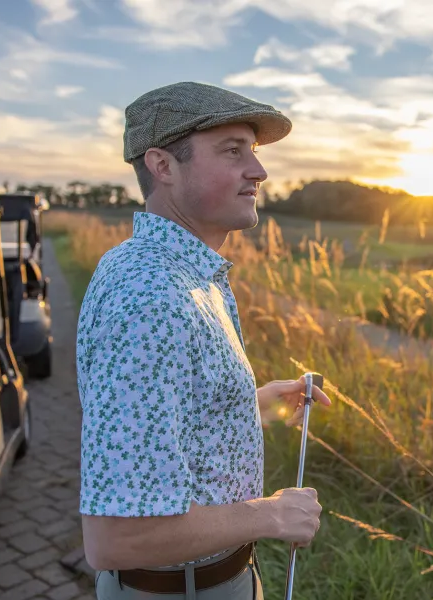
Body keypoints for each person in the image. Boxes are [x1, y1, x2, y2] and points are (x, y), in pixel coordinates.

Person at [76, 81, 332, 600]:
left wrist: (247, 404)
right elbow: (117, 538)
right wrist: (273, 513)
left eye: (253, 153)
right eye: (232, 151)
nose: (258, 171)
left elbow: (169, 421)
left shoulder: (181, 271)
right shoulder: (152, 299)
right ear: (163, 166)